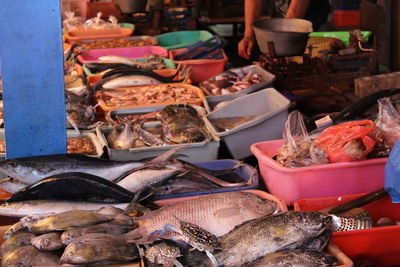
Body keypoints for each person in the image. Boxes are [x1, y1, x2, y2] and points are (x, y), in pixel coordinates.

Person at [238, 0, 331, 59]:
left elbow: (299, 3)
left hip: (313, 26)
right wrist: (248, 34)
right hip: (281, 24)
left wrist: (281, 42)